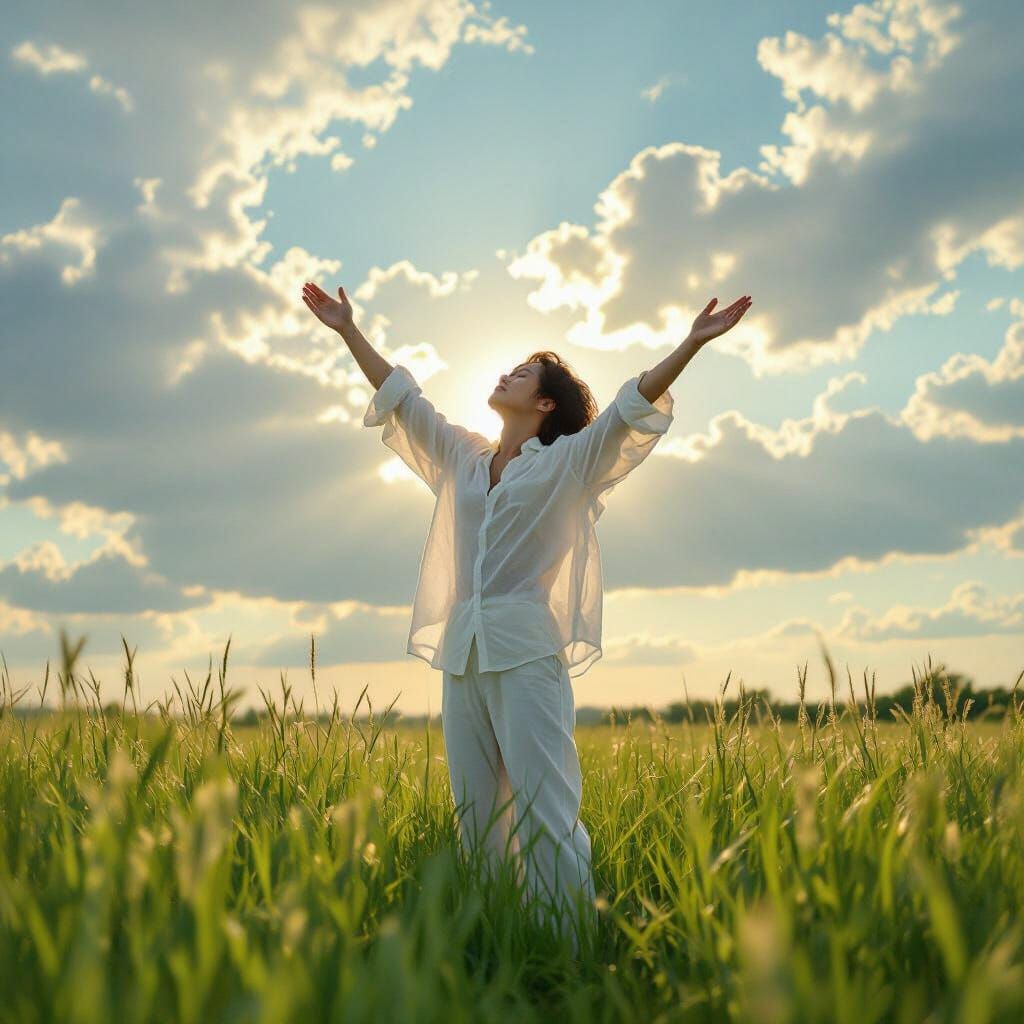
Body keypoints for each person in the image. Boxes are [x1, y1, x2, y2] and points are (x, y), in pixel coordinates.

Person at [301, 280, 752, 954]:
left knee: (546, 812)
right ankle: (501, 944)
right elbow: (404, 397)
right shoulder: (462, 457)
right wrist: (346, 331)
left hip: (526, 654)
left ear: (544, 403)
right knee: (476, 820)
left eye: (522, 373)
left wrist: (689, 343)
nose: (505, 375)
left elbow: (629, 412)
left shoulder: (568, 463)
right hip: (465, 655)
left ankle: (568, 952)